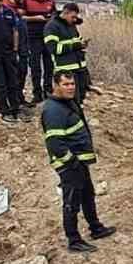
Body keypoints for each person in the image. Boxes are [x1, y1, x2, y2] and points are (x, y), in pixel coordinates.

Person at [41, 70, 115, 252]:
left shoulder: (66, 103)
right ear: (56, 85)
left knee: (88, 194)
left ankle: (96, 228)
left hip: (79, 162)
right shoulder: (53, 111)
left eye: (72, 84)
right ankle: (73, 240)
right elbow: (54, 143)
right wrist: (71, 162)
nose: (71, 87)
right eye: (66, 84)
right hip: (70, 165)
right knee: (72, 201)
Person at [43, 2, 90, 105]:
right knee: (70, 101)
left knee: (80, 98)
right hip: (65, 70)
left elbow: (77, 40)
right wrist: (76, 46)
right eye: (72, 17)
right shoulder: (52, 26)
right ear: (65, 13)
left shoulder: (71, 25)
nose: (74, 20)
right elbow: (53, 49)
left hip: (79, 68)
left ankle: (79, 117)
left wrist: (82, 45)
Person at [18, 0, 56, 102]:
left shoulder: (50, 1)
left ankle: (48, 90)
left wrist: (51, 18)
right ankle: (37, 93)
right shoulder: (27, 1)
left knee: (49, 65)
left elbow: (55, 15)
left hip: (48, 36)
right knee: (35, 67)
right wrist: (36, 18)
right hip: (32, 37)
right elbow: (21, 17)